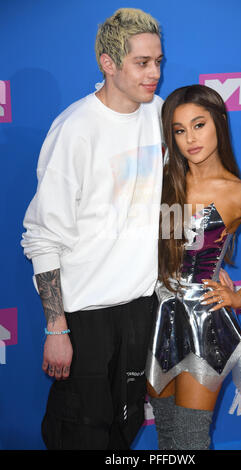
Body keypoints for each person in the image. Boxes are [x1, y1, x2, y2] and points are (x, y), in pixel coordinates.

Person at [21, 8, 164, 450]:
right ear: (108, 63)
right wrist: (56, 329)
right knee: (78, 435)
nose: (154, 73)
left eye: (158, 61)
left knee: (122, 433)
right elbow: (43, 236)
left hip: (140, 309)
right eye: (142, 63)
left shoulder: (160, 114)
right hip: (85, 318)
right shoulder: (75, 130)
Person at [145, 84, 241, 450]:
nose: (190, 138)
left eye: (199, 125)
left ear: (219, 123)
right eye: (179, 130)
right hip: (156, 313)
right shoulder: (162, 179)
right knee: (166, 435)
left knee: (191, 441)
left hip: (202, 321)